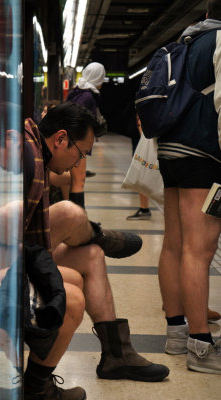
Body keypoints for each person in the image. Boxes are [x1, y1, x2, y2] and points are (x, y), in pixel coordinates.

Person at [24, 102, 169, 397]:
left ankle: (116, 355)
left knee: (91, 255)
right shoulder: (27, 158)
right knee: (70, 214)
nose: (79, 164)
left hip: (25, 251)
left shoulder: (35, 155)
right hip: (0, 258)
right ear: (61, 139)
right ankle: (95, 234)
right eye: (80, 153)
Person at [157, 0, 221, 374]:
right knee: (200, 249)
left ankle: (177, 335)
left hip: (171, 151)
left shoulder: (187, 39)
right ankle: (201, 348)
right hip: (204, 155)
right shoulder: (219, 41)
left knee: (174, 245)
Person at [66, 62, 106, 208]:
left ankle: (75, 217)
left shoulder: (79, 91)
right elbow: (76, 118)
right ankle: (78, 220)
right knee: (79, 181)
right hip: (77, 143)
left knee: (76, 180)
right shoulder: (87, 96)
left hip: (76, 142)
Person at [126, 114, 151, 220]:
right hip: (141, 137)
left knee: (142, 172)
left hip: (143, 138)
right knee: (142, 172)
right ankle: (144, 207)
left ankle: (144, 208)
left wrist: (143, 138)